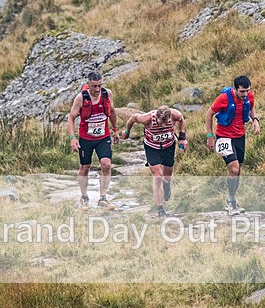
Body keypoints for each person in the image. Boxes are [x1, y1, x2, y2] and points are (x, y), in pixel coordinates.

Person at [205, 75, 260, 215]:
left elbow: (251, 107)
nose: (245, 94)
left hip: (239, 136)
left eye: (247, 91)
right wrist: (210, 136)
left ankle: (232, 199)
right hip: (223, 137)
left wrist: (255, 120)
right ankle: (231, 202)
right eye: (242, 92)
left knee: (238, 170)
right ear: (235, 89)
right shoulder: (224, 98)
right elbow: (208, 114)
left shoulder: (249, 96)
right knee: (234, 169)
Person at [66, 72, 119, 210]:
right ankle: (84, 197)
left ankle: (103, 198)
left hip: (103, 137)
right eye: (94, 86)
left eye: (100, 86)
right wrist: (72, 138)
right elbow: (71, 118)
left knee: (106, 164)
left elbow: (112, 112)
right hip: (86, 139)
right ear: (88, 85)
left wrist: (115, 130)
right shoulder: (81, 98)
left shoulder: (107, 94)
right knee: (85, 168)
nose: (97, 89)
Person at [122, 106, 187, 218]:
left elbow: (181, 120)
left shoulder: (175, 114)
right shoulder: (147, 118)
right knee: (157, 176)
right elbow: (132, 118)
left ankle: (167, 185)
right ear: (156, 117)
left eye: (166, 123)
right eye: (161, 122)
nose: (163, 126)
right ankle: (160, 209)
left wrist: (182, 137)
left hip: (168, 146)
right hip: (152, 148)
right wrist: (127, 132)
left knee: (167, 176)